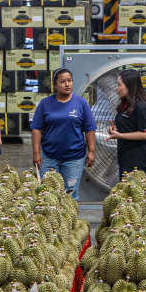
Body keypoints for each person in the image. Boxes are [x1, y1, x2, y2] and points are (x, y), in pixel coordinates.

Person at [30, 68, 96, 200]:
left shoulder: (81, 103)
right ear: (55, 85)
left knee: (70, 196)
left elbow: (89, 129)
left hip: (74, 159)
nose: (67, 84)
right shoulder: (45, 104)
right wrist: (36, 153)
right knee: (47, 194)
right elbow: (36, 128)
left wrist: (91, 151)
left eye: (69, 81)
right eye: (63, 82)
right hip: (49, 157)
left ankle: (69, 220)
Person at [105, 69, 146, 177]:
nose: (116, 88)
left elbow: (145, 134)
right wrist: (114, 131)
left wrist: (120, 135)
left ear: (129, 85)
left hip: (137, 163)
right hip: (124, 158)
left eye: (119, 85)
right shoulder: (124, 105)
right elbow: (128, 128)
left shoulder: (141, 107)